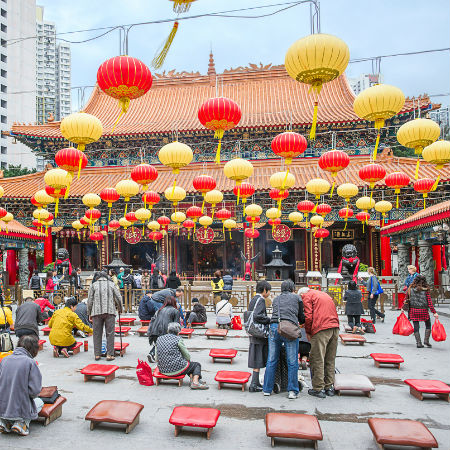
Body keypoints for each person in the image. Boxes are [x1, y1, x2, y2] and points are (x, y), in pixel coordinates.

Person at [263, 280, 304, 399]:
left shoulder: (276, 299)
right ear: (292, 288)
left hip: (274, 327)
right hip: (289, 329)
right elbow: (301, 316)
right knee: (292, 362)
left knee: (271, 359)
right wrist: (302, 322)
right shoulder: (297, 298)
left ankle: (267, 389)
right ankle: (292, 390)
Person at [300, 287, 339, 399]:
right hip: (334, 327)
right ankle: (329, 387)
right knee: (330, 358)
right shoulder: (323, 294)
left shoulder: (307, 296)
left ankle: (318, 388)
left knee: (317, 358)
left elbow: (308, 316)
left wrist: (307, 331)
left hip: (320, 328)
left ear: (302, 294)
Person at [0, 335, 42, 436]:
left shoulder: (5, 360)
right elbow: (35, 391)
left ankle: (5, 422)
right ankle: (22, 423)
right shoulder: (30, 362)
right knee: (39, 402)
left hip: (2, 407)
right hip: (20, 408)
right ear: (33, 349)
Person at [156, 322, 208, 390]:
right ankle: (195, 382)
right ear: (178, 332)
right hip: (176, 369)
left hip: (162, 369)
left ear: (168, 330)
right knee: (196, 365)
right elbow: (187, 356)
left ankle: (195, 379)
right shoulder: (178, 339)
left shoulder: (159, 339)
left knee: (188, 366)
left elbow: (156, 357)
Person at [87, 271, 122, 361]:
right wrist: (120, 308)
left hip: (96, 312)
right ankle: (110, 354)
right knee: (110, 333)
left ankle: (97, 354)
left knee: (97, 333)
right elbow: (118, 297)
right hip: (110, 311)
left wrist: (89, 313)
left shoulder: (93, 285)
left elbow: (90, 300)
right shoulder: (111, 284)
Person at [247, 280, 271, 392]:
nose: (269, 293)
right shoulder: (261, 300)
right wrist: (269, 319)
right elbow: (257, 316)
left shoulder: (253, 299)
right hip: (259, 333)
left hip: (253, 332)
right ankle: (254, 384)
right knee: (259, 357)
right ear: (264, 290)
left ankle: (254, 383)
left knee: (256, 357)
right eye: (269, 291)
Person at [403, 275, 438, 348]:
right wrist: (434, 312)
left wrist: (403, 308)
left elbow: (406, 299)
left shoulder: (410, 289)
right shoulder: (426, 290)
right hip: (423, 310)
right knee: (428, 324)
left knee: (416, 325)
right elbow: (429, 303)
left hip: (413, 310)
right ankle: (426, 340)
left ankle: (418, 343)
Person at [147, 296, 181, 362]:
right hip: (165, 330)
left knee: (159, 343)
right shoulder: (175, 311)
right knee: (163, 343)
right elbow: (176, 325)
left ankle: (153, 354)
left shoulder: (160, 310)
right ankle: (152, 353)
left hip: (154, 330)